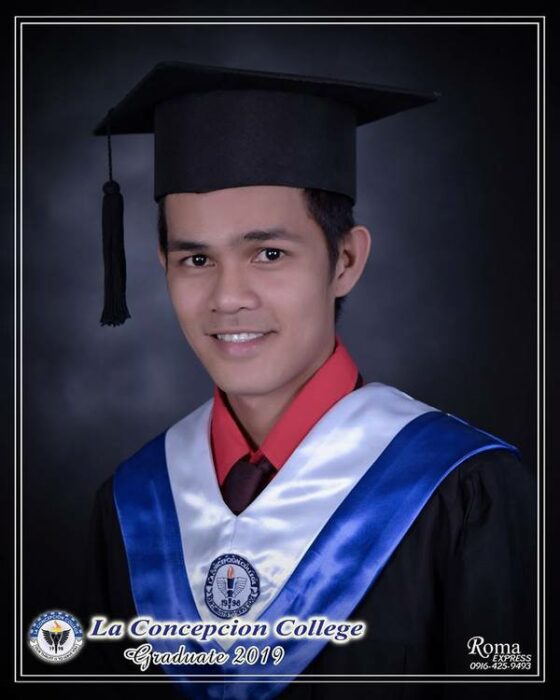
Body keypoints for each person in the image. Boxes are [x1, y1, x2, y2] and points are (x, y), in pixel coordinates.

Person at [78, 61, 536, 700]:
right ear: (163, 266)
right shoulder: (134, 503)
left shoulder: (465, 492)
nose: (228, 297)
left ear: (345, 260)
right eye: (196, 258)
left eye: (269, 254)